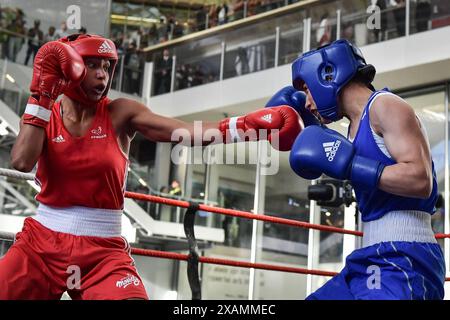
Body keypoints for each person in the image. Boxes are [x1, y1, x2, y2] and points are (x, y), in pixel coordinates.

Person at [0, 33, 301, 300]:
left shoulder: (120, 113)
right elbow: (22, 161)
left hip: (103, 252)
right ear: (68, 66)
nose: (102, 76)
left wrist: (244, 126)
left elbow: (183, 132)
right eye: (92, 65)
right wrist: (40, 94)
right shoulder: (47, 114)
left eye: (107, 67)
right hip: (42, 244)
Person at [270, 39, 445, 299]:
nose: (306, 102)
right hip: (370, 255)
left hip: (403, 256)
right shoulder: (352, 129)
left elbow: (420, 180)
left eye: (307, 90)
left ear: (327, 74)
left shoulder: (386, 106)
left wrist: (352, 166)